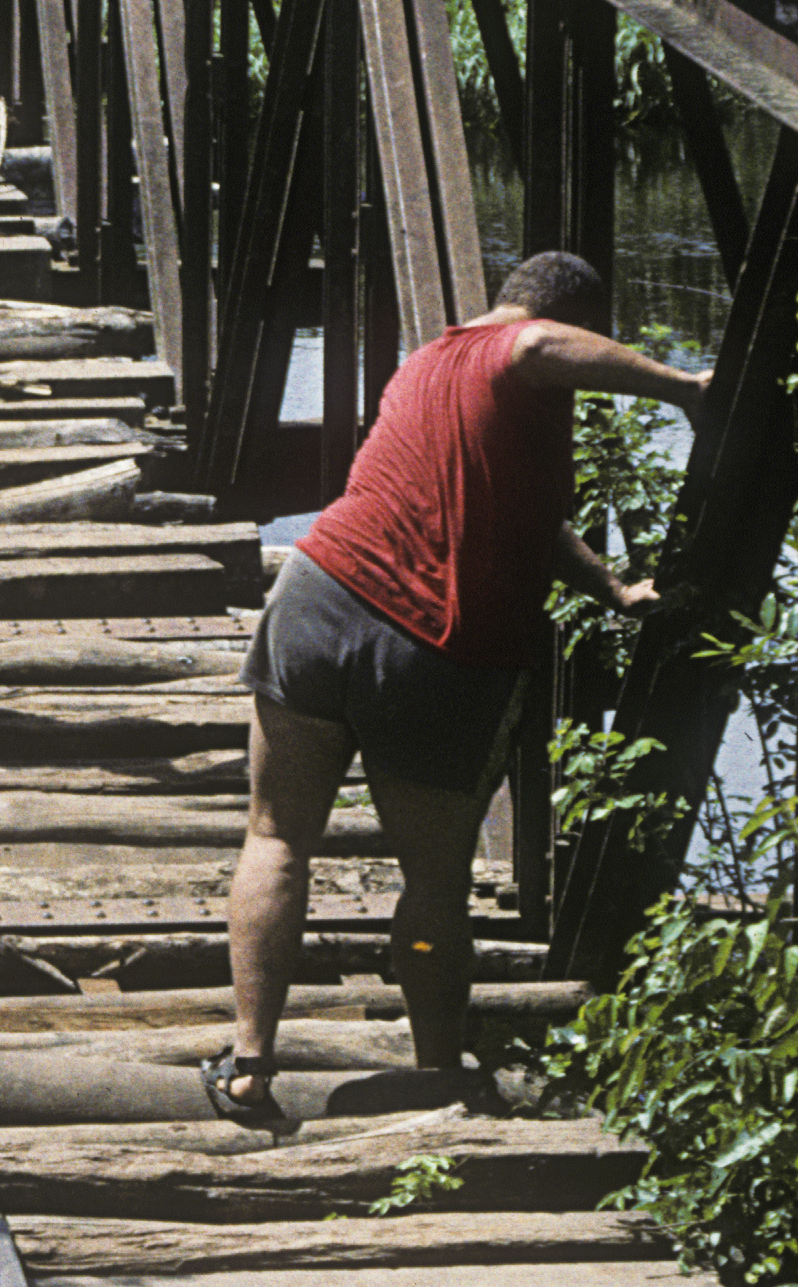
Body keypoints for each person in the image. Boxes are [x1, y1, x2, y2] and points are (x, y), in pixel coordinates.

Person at [212, 249, 705, 1121]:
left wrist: (615, 589)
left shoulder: (429, 363)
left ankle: (248, 1065)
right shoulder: (513, 351)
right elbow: (536, 346)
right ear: (576, 320)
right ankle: (438, 1068)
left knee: (275, 837)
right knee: (435, 881)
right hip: (429, 645)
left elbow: (528, 519)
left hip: (315, 594)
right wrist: (686, 390)